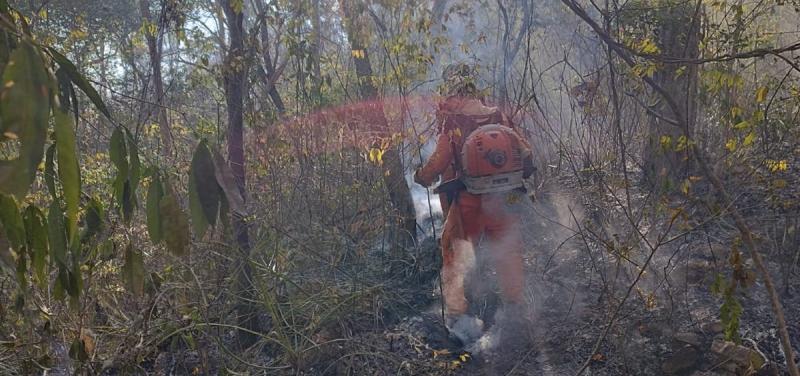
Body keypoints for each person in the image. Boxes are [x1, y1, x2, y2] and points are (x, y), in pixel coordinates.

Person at [414, 63, 535, 344]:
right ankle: (514, 306)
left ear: (453, 91)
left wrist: (422, 176)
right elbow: (524, 152)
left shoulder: (451, 121)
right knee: (508, 250)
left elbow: (439, 162)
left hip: (468, 202)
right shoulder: (497, 115)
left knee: (453, 251)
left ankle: (457, 315)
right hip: (504, 200)